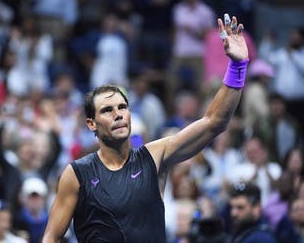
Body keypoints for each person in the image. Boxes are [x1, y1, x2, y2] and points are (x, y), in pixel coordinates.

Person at [42, 13, 249, 243]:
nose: (118, 114)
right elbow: (52, 236)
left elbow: (214, 122)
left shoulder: (155, 156)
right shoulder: (76, 174)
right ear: (91, 123)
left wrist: (238, 66)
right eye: (107, 110)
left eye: (122, 107)